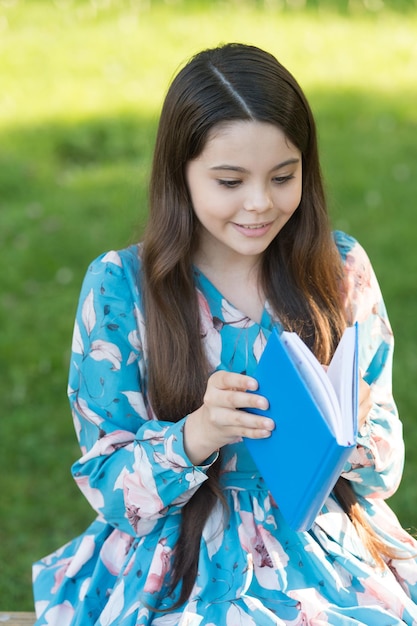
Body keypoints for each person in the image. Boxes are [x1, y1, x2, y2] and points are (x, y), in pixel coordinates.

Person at [32, 43, 417, 625]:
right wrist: (197, 434)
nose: (260, 203)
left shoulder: (337, 268)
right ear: (179, 174)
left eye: (283, 177)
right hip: (180, 553)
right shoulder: (124, 287)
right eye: (230, 180)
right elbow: (112, 488)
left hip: (320, 542)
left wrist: (351, 430)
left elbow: (385, 469)